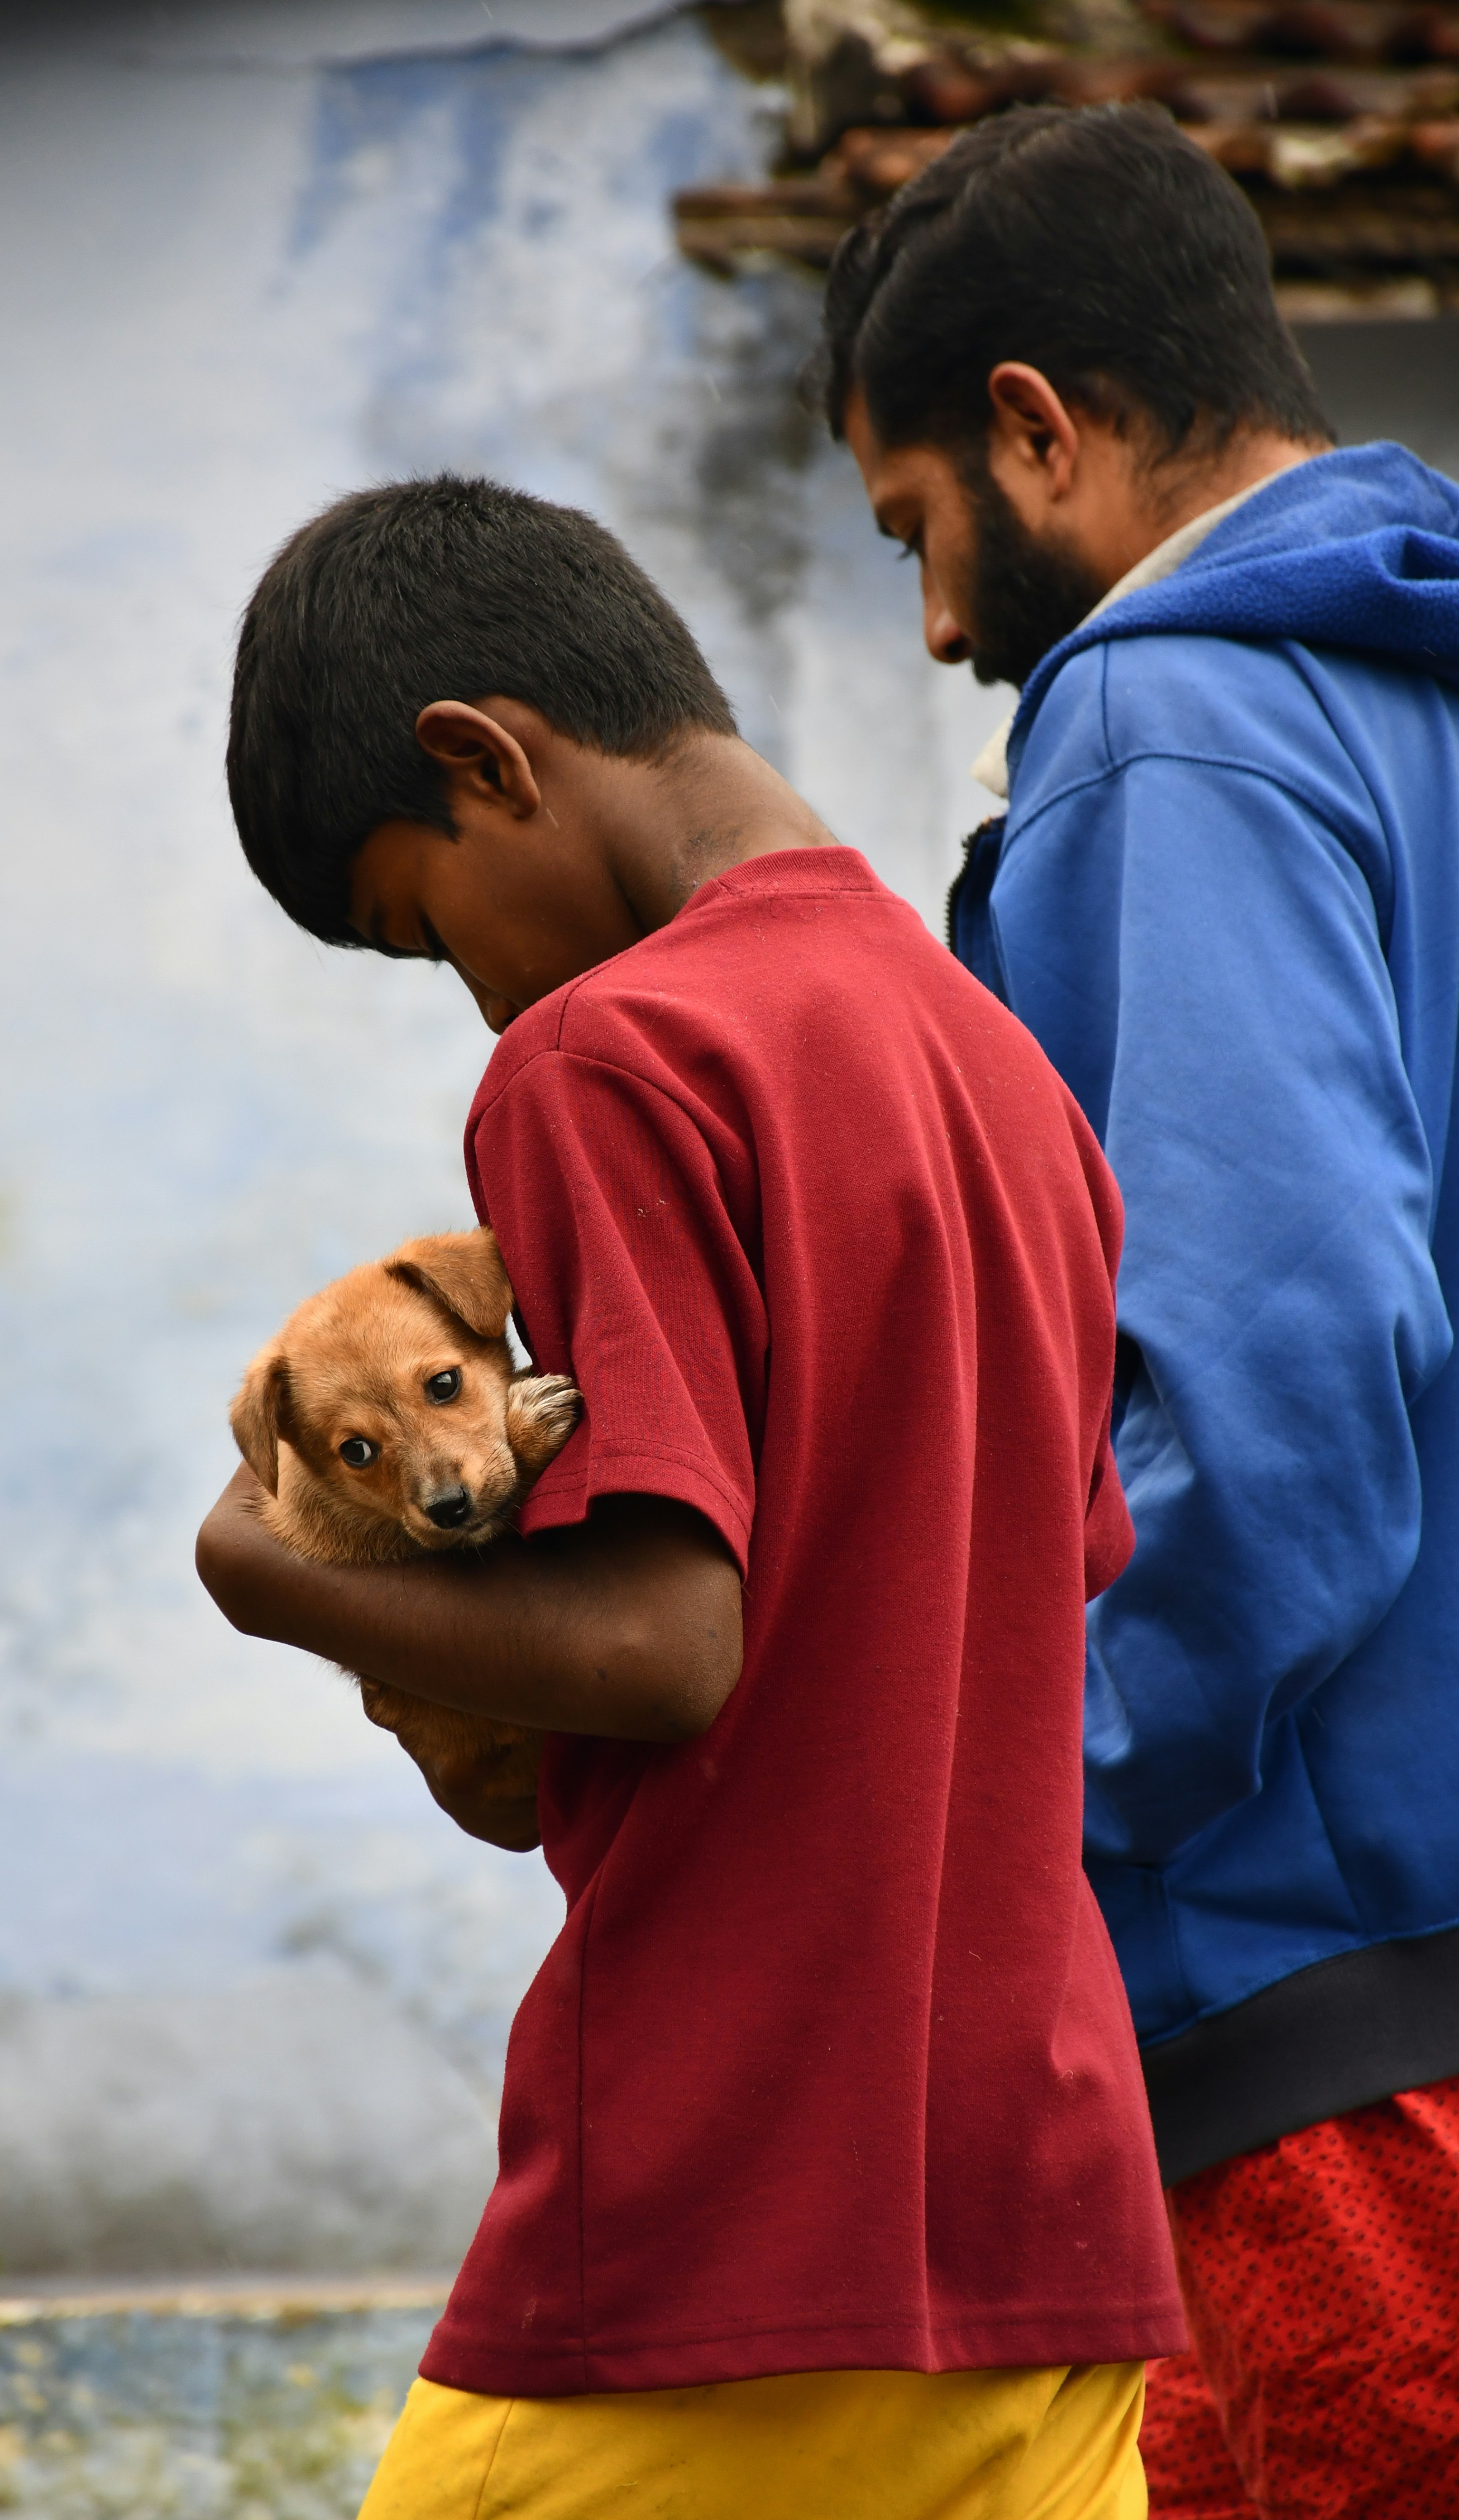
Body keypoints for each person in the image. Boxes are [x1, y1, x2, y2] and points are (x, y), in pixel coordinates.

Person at [198, 474, 1184, 2518]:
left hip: (734, 2208)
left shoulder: (603, 1059)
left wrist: (271, 1578)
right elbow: (1055, 1572)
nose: (469, 993)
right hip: (1047, 2205)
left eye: (422, 923)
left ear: (484, 758)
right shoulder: (1001, 1075)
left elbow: (664, 1646)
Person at [822, 99, 1459, 2520]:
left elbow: (1280, 1390)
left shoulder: (1170, 714)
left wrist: (1003, 1825)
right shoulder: (1416, 680)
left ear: (1035, 429)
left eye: (915, 533)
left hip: (1321, 2032)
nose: (941, 627)